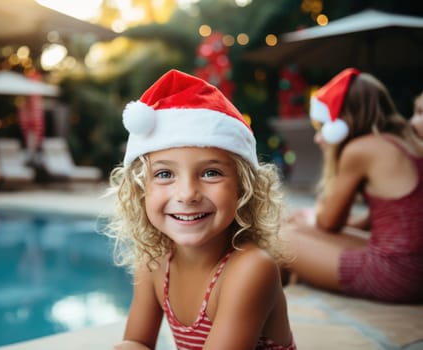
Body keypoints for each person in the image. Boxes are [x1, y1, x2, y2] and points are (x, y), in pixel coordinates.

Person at [104, 69, 296, 350]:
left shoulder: (251, 269)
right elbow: (135, 341)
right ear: (140, 189)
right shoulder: (154, 263)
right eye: (165, 174)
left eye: (210, 173)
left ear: (244, 188)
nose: (187, 194)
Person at [281, 68, 423, 303]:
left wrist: (333, 161)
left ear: (341, 123)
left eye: (324, 125)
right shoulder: (408, 142)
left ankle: (265, 322)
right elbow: (388, 218)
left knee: (278, 239)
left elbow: (329, 222)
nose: (321, 135)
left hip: (398, 274)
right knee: (296, 227)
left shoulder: (362, 150)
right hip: (414, 268)